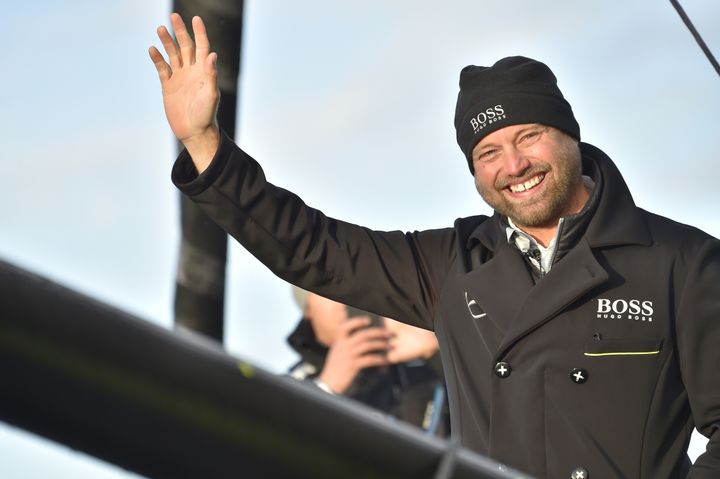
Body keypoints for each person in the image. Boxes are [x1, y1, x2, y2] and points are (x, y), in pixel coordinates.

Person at [149, 14, 720, 478]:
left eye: (528, 137)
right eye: (488, 153)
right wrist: (204, 142)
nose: (513, 165)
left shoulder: (682, 261)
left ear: (569, 135)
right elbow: (313, 250)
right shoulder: (452, 264)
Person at [286, 288, 448, 436]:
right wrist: (325, 388)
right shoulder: (291, 389)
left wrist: (439, 351)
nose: (342, 297)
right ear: (308, 309)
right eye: (324, 287)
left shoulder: (413, 347)